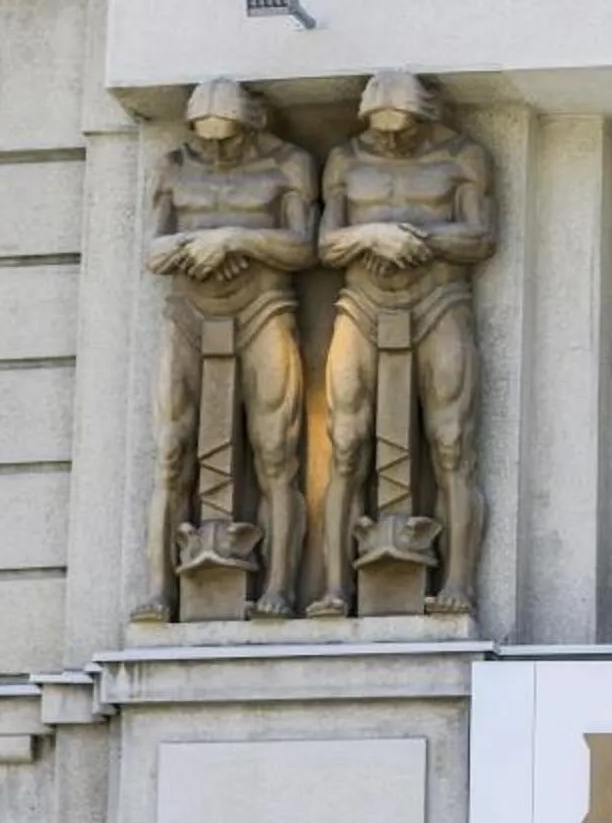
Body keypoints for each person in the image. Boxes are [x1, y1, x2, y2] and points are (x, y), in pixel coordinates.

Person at [310, 72, 497, 617]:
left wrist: (418, 238)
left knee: (451, 443)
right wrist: (372, 236)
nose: (390, 140)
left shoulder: (463, 157)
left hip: (439, 302)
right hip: (363, 305)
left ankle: (457, 581)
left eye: (403, 130)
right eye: (381, 129)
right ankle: (333, 587)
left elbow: (481, 235)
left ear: (424, 118)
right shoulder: (346, 160)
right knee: (344, 443)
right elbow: (324, 242)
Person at [138, 79, 314, 622]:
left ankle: (280, 586)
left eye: (228, 137)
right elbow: (153, 249)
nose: (216, 149)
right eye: (206, 137)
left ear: (251, 124)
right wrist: (192, 246)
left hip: (263, 308)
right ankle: (158, 591)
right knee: (171, 451)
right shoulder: (173, 167)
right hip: (189, 313)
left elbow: (304, 245)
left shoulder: (289, 164)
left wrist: (236, 239)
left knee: (276, 453)